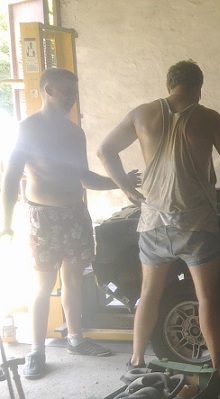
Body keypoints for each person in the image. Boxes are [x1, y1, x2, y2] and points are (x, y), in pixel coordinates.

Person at [97, 60, 220, 390]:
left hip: (153, 223)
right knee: (207, 298)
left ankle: (135, 362)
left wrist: (126, 188)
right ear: (198, 88)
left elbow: (104, 150)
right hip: (195, 224)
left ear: (169, 86)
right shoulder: (208, 118)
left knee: (149, 294)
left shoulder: (142, 114)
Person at [1, 68, 139, 379]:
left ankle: (76, 339)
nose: (72, 97)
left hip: (75, 214)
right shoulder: (28, 130)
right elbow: (10, 178)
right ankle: (36, 351)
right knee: (43, 285)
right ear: (48, 89)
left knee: (74, 281)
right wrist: (6, 223)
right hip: (43, 218)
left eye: (74, 91)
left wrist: (121, 181)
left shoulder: (75, 133)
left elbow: (84, 177)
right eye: (66, 90)